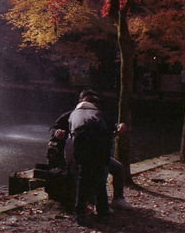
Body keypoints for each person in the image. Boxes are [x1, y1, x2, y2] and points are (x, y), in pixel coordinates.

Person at [49, 106, 132, 211]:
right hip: (77, 155)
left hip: (98, 154)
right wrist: (57, 132)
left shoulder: (99, 115)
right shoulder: (72, 115)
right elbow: (53, 128)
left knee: (118, 168)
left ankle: (118, 199)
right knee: (89, 174)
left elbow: (113, 126)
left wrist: (119, 126)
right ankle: (94, 203)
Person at [68, 89, 112, 225]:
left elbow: (72, 135)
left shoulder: (74, 114)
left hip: (83, 145)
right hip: (101, 145)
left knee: (83, 180)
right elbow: (109, 130)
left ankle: (80, 213)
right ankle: (103, 213)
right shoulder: (99, 113)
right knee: (100, 180)